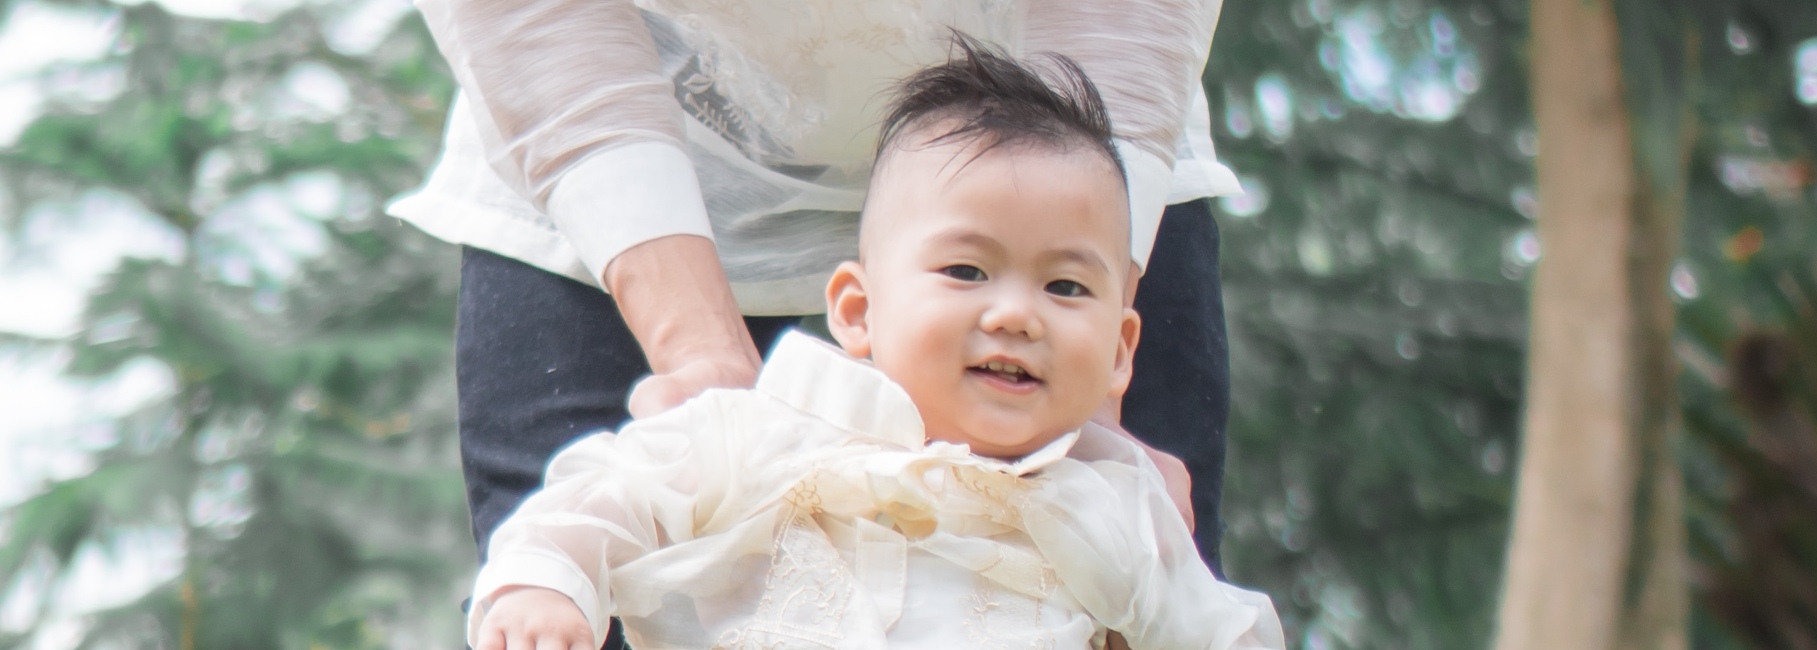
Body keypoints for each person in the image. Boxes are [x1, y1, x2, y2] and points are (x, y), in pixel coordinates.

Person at [393, 3, 1239, 644]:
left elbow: (1218, 626)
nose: (1014, 315)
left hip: (1052, 134)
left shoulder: (1122, 509)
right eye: (968, 276)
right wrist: (543, 586)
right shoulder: (753, 435)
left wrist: (1098, 459)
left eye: (1058, 291)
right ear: (858, 310)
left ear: (1122, 343)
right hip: (616, 107)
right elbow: (601, 500)